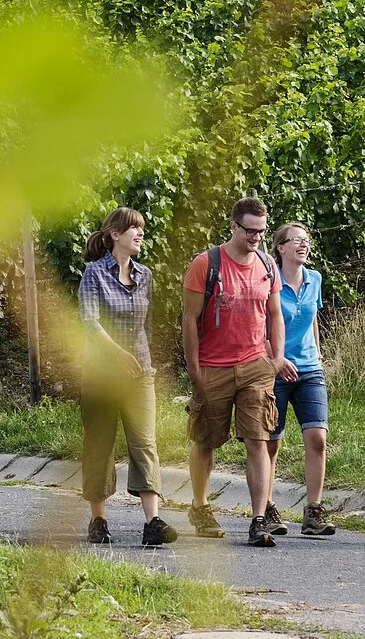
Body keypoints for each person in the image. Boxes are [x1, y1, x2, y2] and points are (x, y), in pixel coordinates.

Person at [182, 196, 296, 547]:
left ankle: (258, 518)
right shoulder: (206, 264)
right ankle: (200, 506)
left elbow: (275, 314)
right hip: (213, 366)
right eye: (249, 231)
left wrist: (277, 356)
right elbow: (188, 320)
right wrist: (195, 372)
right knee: (206, 440)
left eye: (262, 231)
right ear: (233, 226)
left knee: (259, 439)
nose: (256, 238)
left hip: (255, 367)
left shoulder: (267, 265)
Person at [77, 207, 177, 547]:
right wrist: (119, 355)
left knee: (145, 442)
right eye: (134, 229)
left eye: (142, 229)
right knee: (100, 446)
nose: (141, 234)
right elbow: (90, 323)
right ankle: (99, 520)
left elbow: (145, 325)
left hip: (139, 373)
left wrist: (143, 360)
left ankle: (152, 522)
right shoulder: (94, 274)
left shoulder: (145, 275)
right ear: (115, 235)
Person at [260, 222, 335, 537]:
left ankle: (313, 510)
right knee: (271, 444)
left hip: (308, 370)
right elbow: (258, 326)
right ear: (280, 247)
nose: (303, 245)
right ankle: (265, 506)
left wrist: (317, 353)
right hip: (274, 368)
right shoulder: (267, 280)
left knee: (317, 438)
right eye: (296, 241)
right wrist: (277, 360)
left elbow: (312, 318)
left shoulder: (315, 278)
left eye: (306, 240)